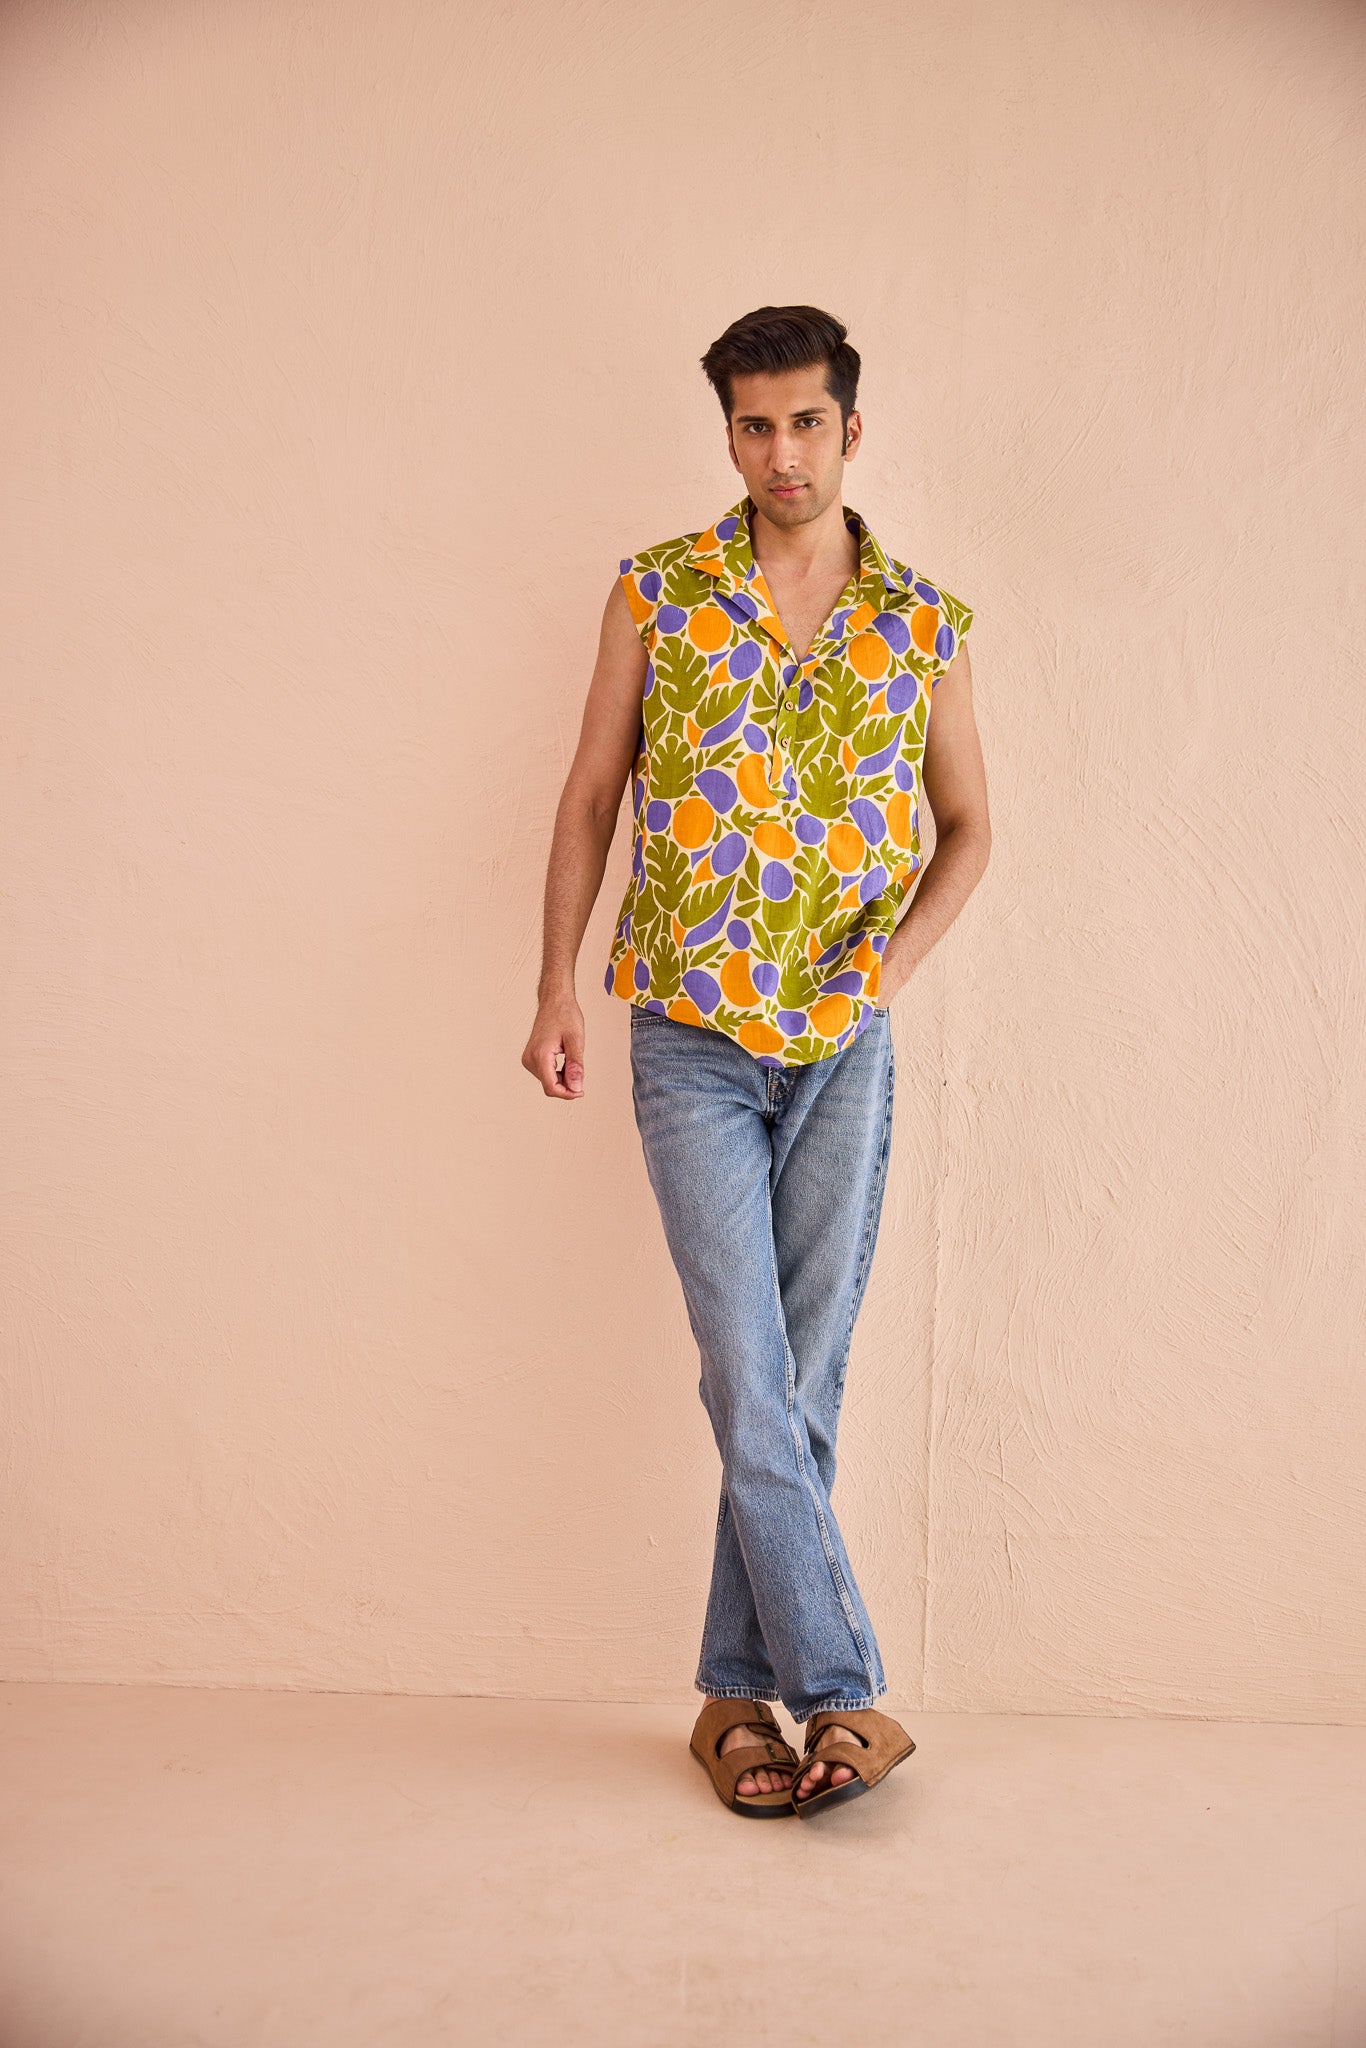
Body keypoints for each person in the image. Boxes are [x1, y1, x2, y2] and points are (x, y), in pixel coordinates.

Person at [523, 305, 991, 1817]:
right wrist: (555, 987)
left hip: (844, 1046)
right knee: (747, 1364)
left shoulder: (923, 622)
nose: (780, 452)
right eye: (752, 425)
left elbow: (970, 830)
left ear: (851, 429)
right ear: (726, 434)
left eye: (804, 422)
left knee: (803, 1379)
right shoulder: (658, 593)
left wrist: (883, 975)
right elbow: (590, 795)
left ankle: (734, 1699)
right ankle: (845, 1695)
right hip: (689, 1034)